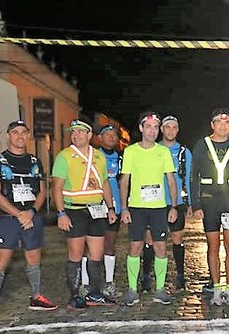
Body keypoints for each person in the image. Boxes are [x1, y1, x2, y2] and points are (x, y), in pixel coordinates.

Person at [0, 120, 58, 320]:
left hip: (31, 218)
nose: (20, 136)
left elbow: (41, 191)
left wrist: (31, 211)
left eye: (23, 132)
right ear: (8, 136)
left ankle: (36, 297)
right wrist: (19, 214)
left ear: (28, 136)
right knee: (2, 260)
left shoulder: (34, 161)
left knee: (34, 259)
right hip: (8, 218)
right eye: (15, 132)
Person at [52, 119, 117, 309]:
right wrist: (61, 213)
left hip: (96, 209)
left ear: (89, 135)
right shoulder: (64, 156)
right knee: (76, 253)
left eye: (80, 131)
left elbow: (104, 183)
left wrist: (110, 208)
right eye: (73, 132)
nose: (76, 135)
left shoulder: (99, 156)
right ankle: (75, 296)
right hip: (74, 210)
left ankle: (94, 294)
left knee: (96, 253)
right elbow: (56, 188)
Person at [190, 108, 229, 305]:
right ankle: (216, 288)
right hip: (210, 203)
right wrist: (196, 204)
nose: (223, 126)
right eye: (219, 122)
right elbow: (194, 176)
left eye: (227, 123)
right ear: (212, 125)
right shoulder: (202, 145)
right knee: (213, 246)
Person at [119, 111, 178, 306]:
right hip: (137, 207)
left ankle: (160, 290)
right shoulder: (130, 151)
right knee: (135, 247)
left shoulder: (163, 152)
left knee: (161, 247)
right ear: (141, 128)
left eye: (156, 127)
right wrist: (124, 208)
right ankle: (132, 290)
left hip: (159, 208)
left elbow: (171, 180)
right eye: (149, 127)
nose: (153, 131)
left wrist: (173, 206)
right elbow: (124, 181)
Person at [140, 115, 193, 292]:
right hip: (154, 202)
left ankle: (180, 275)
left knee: (177, 239)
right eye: (167, 127)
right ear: (161, 129)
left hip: (176, 203)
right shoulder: (152, 148)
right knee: (150, 240)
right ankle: (146, 276)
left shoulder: (184, 152)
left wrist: (190, 203)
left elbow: (189, 177)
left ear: (178, 130)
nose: (170, 131)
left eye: (174, 127)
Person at [81, 123, 122, 299]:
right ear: (99, 137)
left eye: (114, 135)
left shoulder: (121, 158)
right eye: (107, 134)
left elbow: (124, 182)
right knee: (89, 248)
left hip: (115, 208)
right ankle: (85, 284)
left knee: (110, 246)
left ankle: (109, 283)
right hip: (94, 207)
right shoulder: (93, 156)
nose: (111, 137)